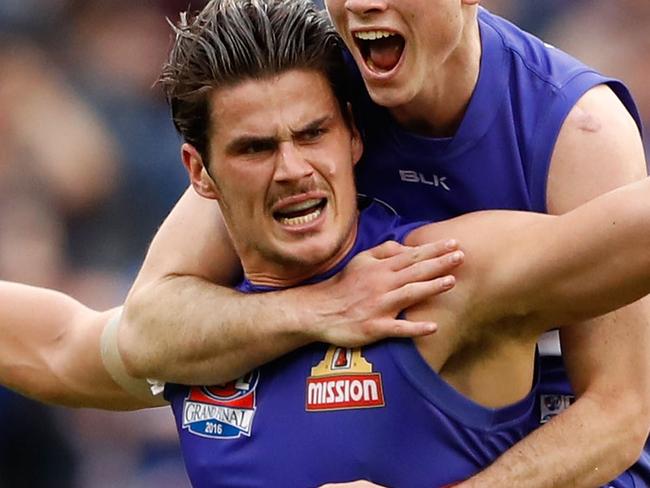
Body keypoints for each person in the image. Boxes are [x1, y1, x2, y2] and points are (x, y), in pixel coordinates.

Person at [3, 1, 650, 486]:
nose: (291, 169)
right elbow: (69, 343)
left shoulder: (435, 278)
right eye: (256, 148)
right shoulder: (201, 335)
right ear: (200, 173)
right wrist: (313, 312)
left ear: (353, 135)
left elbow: (622, 406)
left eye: (312, 135)